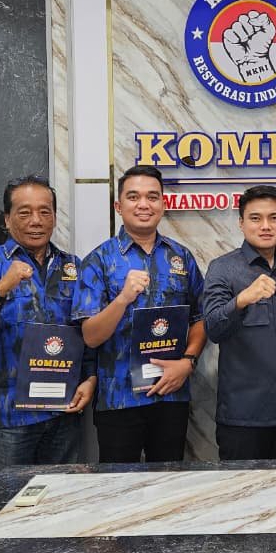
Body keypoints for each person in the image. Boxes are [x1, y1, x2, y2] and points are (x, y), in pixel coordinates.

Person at [0, 176, 97, 483]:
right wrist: (0, 290)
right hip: (9, 417)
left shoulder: (75, 268)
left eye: (45, 211)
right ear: (7, 219)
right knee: (5, 503)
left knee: (62, 500)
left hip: (64, 412)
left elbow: (86, 332)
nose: (36, 220)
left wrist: (90, 378)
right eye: (24, 212)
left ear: (55, 217)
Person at [73, 165, 206, 463]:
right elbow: (90, 336)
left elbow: (200, 318)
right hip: (119, 400)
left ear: (163, 204)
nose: (144, 204)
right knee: (120, 484)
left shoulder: (181, 256)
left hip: (171, 394)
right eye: (133, 197)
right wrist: (122, 299)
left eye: (152, 197)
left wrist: (188, 362)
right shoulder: (98, 260)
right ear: (118, 206)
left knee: (170, 482)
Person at [202, 185, 276, 460]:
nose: (266, 226)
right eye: (255, 218)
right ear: (241, 223)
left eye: (274, 217)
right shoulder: (222, 268)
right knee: (241, 486)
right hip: (242, 417)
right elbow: (213, 329)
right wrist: (241, 300)